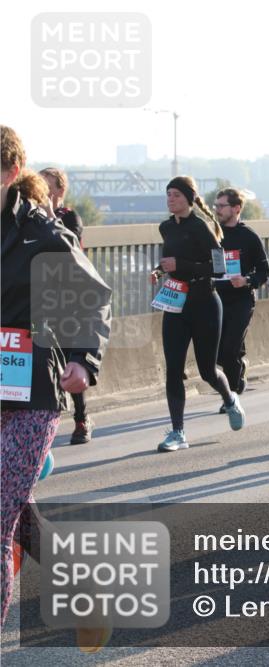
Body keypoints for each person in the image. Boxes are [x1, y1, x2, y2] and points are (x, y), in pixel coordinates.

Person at [2, 126, 111, 650]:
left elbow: (88, 298)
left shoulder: (42, 235)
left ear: (9, 172)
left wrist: (83, 360)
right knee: (18, 513)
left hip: (32, 392)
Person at [152, 176, 246, 452]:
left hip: (204, 303)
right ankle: (178, 432)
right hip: (176, 304)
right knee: (173, 370)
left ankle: (229, 399)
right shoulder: (165, 227)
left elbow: (218, 269)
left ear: (189, 199)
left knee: (207, 370)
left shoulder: (202, 227)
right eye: (168, 195)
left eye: (176, 196)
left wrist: (181, 264)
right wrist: (159, 271)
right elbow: (171, 261)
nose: (171, 200)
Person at [39, 167, 95, 444]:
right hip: (42, 299)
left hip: (69, 300)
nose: (43, 193)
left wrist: (49, 215)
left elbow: (69, 244)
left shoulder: (69, 216)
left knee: (72, 359)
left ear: (59, 191)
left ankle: (81, 419)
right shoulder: (30, 218)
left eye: (48, 187)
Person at [213, 187, 269, 406]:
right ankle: (240, 365)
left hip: (241, 300)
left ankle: (231, 397)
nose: (217, 210)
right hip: (215, 300)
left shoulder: (249, 237)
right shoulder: (212, 234)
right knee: (216, 353)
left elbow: (265, 272)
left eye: (222, 206)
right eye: (216, 206)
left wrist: (246, 280)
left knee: (229, 349)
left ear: (236, 209)